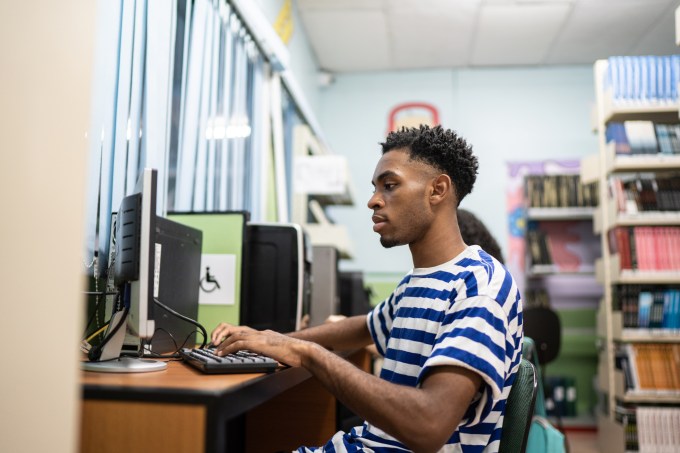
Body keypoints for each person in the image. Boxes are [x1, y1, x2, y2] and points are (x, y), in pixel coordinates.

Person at [211, 124, 524, 452]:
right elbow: (363, 328)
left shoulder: (479, 287)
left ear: (437, 190)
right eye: (376, 188)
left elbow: (428, 425)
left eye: (389, 186)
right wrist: (274, 341)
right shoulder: (418, 283)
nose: (373, 201)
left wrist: (308, 354)